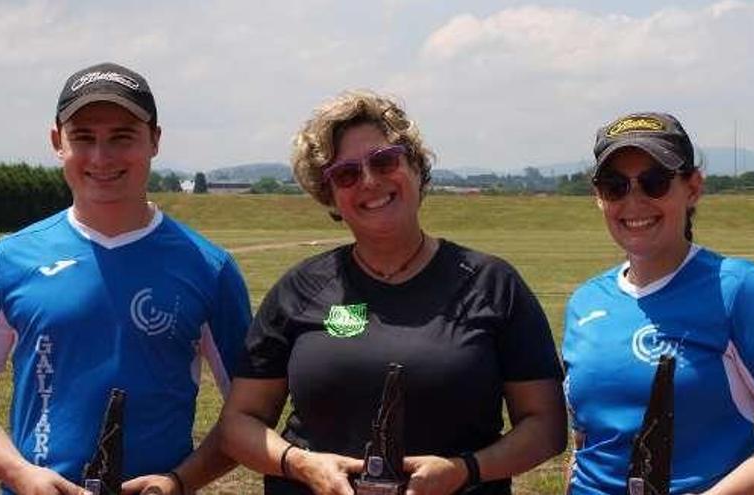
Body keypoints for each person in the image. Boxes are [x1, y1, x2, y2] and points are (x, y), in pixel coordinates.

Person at [217, 90, 567, 495]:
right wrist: (301, 464)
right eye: (345, 174)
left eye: (385, 160)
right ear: (329, 196)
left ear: (416, 167)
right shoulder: (300, 289)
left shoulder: (493, 284)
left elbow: (545, 426)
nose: (369, 180)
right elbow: (239, 421)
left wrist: (465, 470)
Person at [0, 62, 252, 494]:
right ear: (57, 142)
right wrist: (19, 473)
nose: (101, 158)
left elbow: (249, 411)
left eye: (122, 137)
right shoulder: (9, 260)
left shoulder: (209, 268)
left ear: (155, 140)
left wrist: (181, 481)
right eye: (83, 138)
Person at [561, 112, 754, 494]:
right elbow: (587, 439)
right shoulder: (585, 302)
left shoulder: (742, 291)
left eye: (654, 183)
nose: (634, 202)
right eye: (614, 186)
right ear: (598, 198)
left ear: (693, 187)